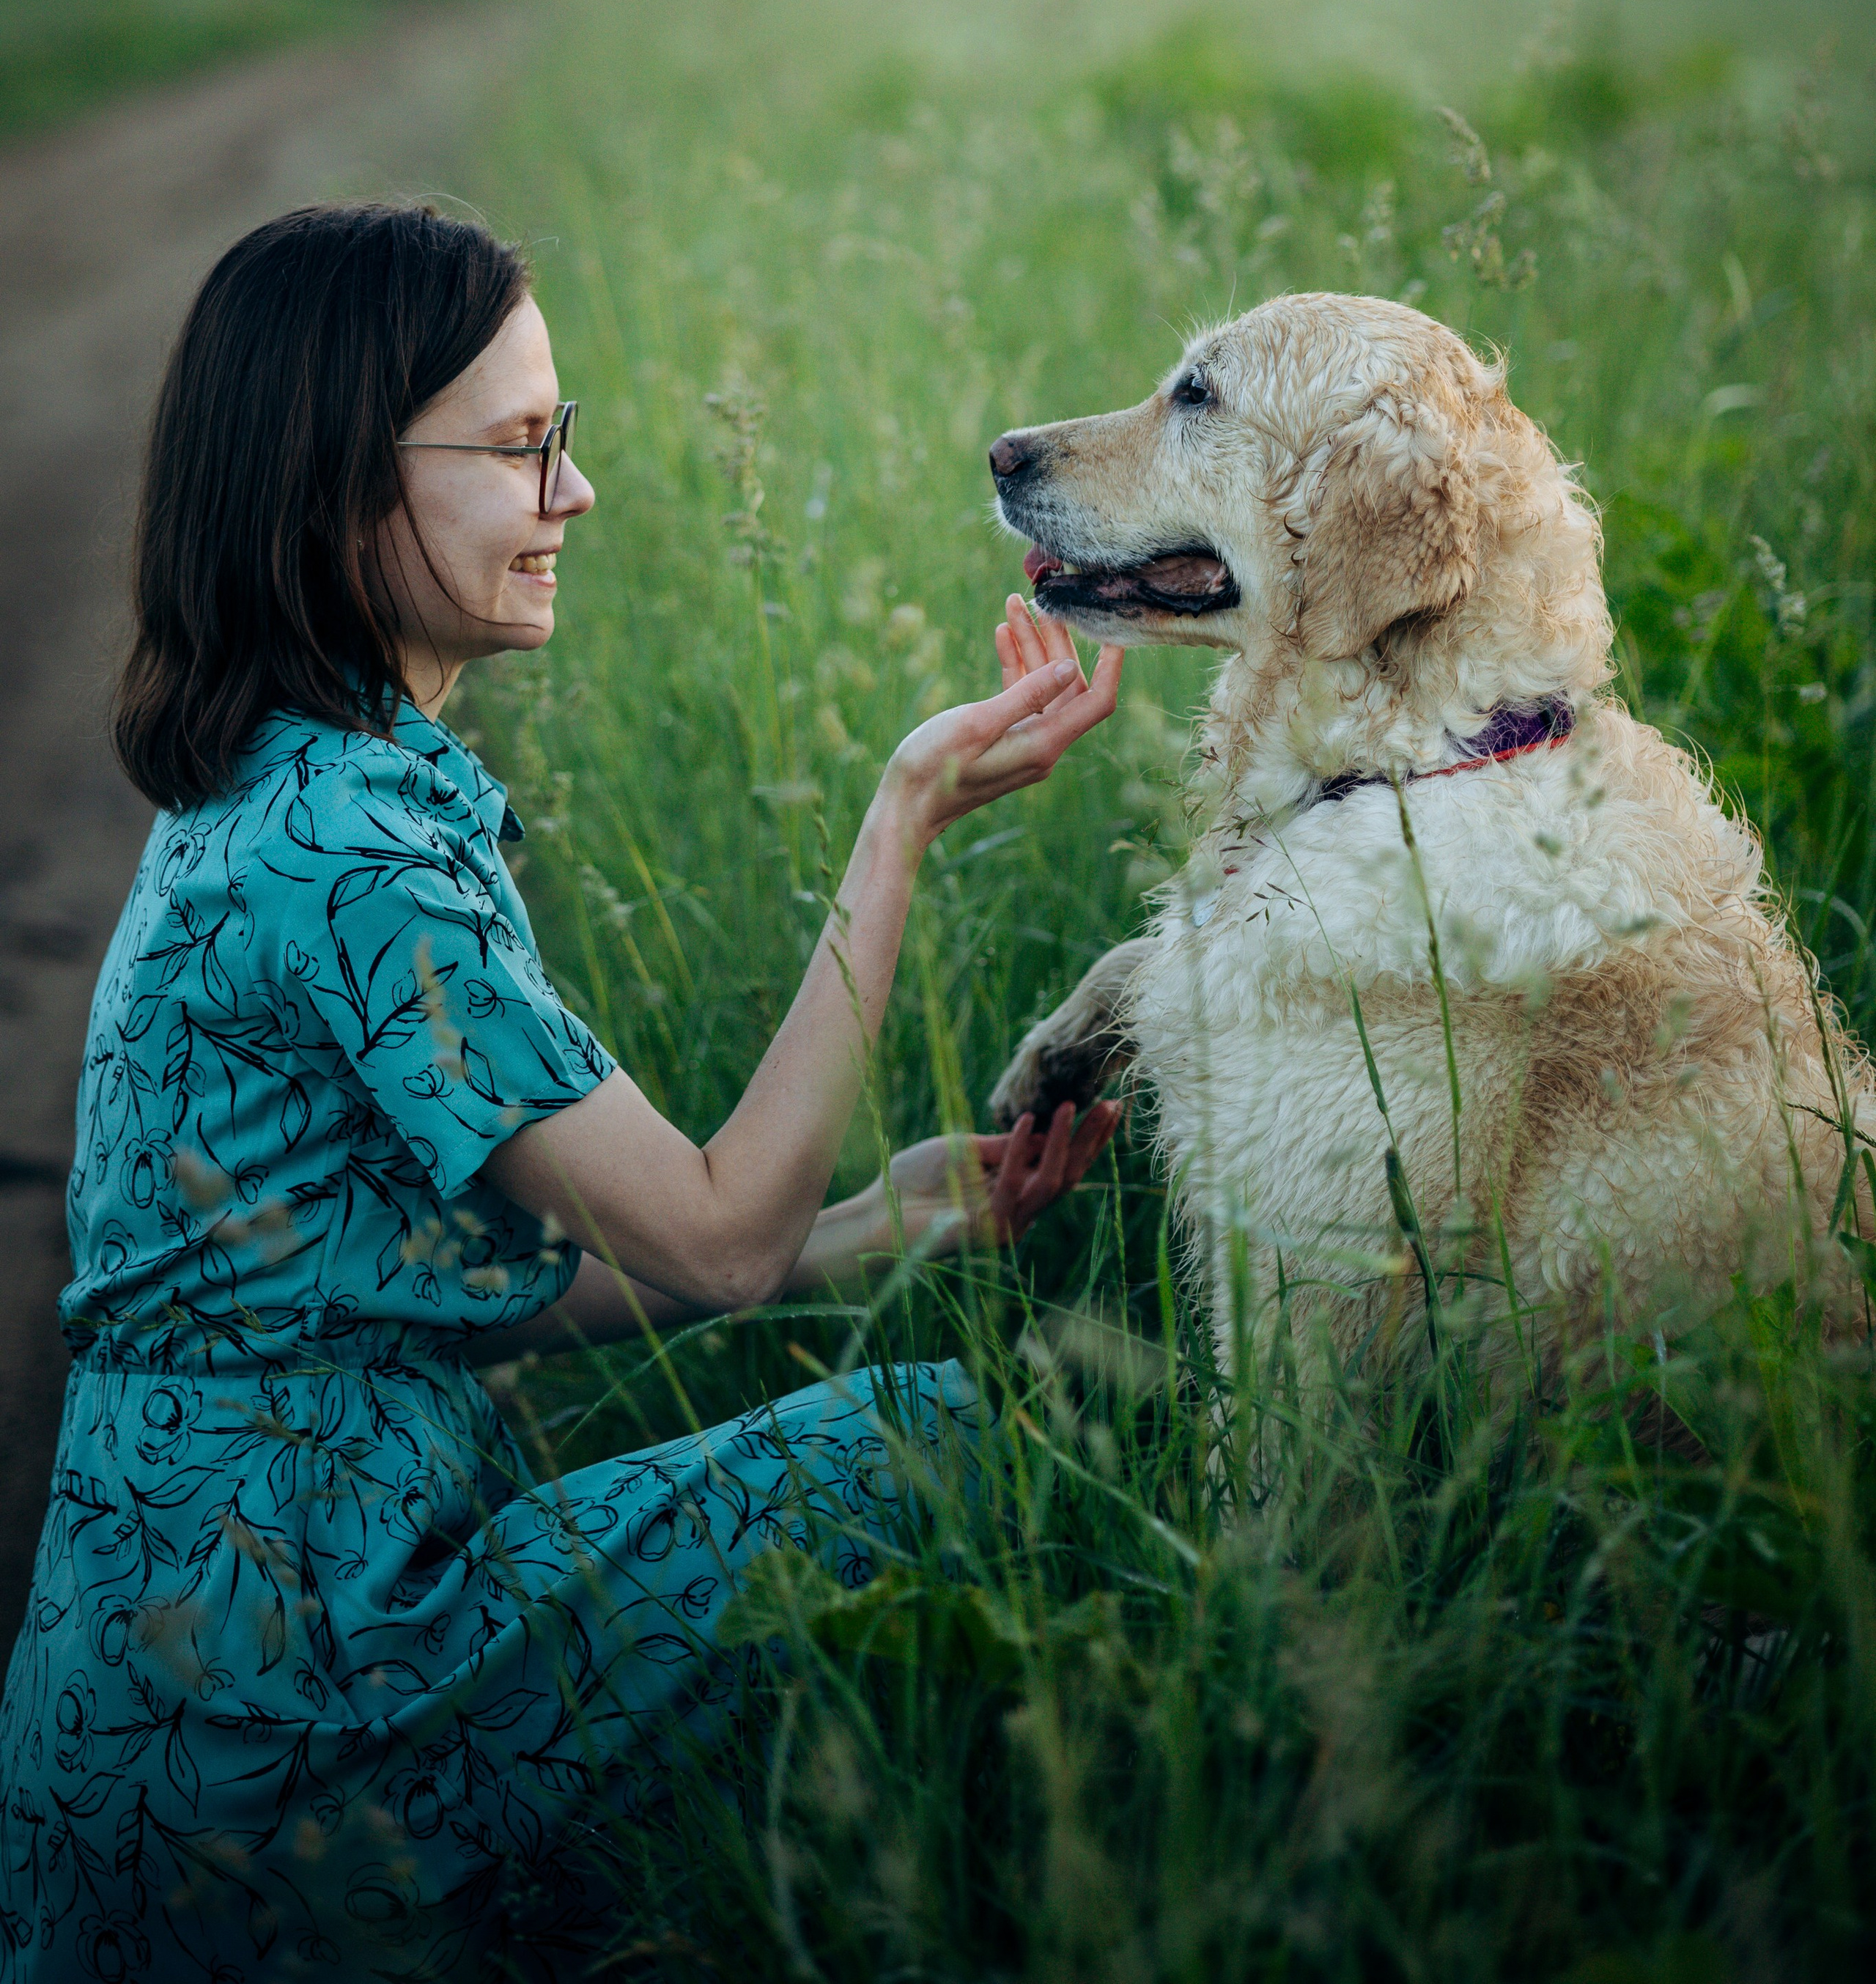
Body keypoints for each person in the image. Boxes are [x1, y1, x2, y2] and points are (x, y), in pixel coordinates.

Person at [0, 204, 1122, 1980]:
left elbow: (405, 1297)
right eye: (521, 447)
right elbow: (712, 1242)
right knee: (940, 1441)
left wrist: (870, 1224)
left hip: (167, 1717)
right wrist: (898, 821)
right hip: (294, 1705)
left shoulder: (282, 795)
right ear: (335, 488)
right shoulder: (355, 857)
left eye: (564, 438)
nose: (574, 494)